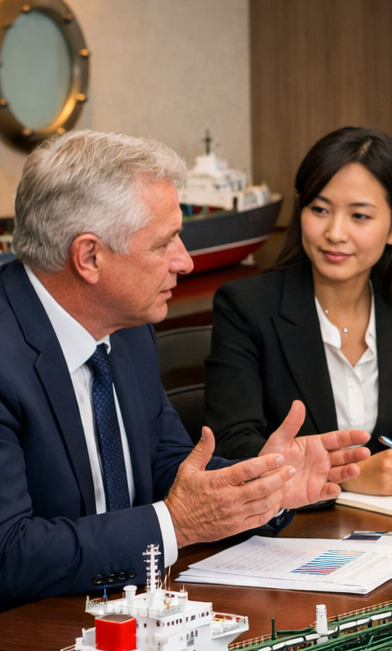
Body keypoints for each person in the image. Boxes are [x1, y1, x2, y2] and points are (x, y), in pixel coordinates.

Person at [0, 130, 370, 611]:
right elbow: (9, 554)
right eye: (164, 243)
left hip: (128, 618)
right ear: (89, 256)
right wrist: (175, 525)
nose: (186, 261)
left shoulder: (128, 327)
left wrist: (263, 485)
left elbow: (168, 466)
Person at [205, 127, 392, 495]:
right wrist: (346, 475)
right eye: (320, 210)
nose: (334, 232)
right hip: (289, 533)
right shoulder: (247, 306)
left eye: (359, 216)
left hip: (390, 533)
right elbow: (231, 447)